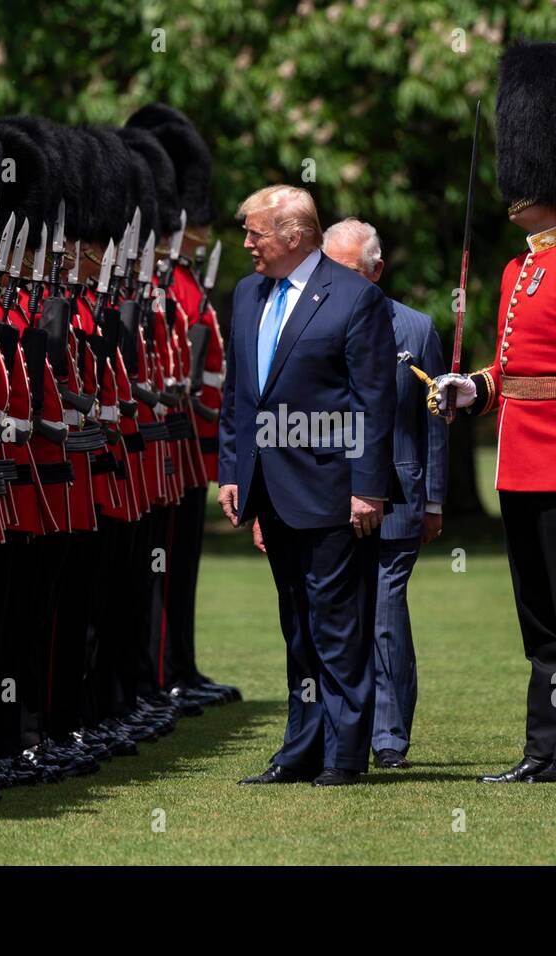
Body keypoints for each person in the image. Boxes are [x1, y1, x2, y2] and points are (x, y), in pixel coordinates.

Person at [429, 40, 556, 784]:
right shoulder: (520, 268)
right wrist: (472, 388)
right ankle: (541, 747)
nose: (513, 189)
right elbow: (514, 369)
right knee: (539, 624)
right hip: (517, 462)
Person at [218, 185, 396, 787]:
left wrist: (368, 488)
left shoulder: (354, 298)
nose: (246, 244)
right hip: (271, 488)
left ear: (293, 237)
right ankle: (302, 747)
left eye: (255, 233)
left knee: (338, 627)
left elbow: (374, 401)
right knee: (297, 627)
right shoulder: (247, 295)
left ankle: (345, 755)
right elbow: (240, 394)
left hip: (335, 491)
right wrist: (231, 471)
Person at [320, 217, 447, 769]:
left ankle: (389, 737)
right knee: (332, 617)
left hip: (397, 495)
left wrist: (435, 499)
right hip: (326, 494)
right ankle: (337, 732)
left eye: (349, 272)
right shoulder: (313, 323)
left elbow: (434, 424)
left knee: (385, 613)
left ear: (376, 271)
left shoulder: (415, 330)